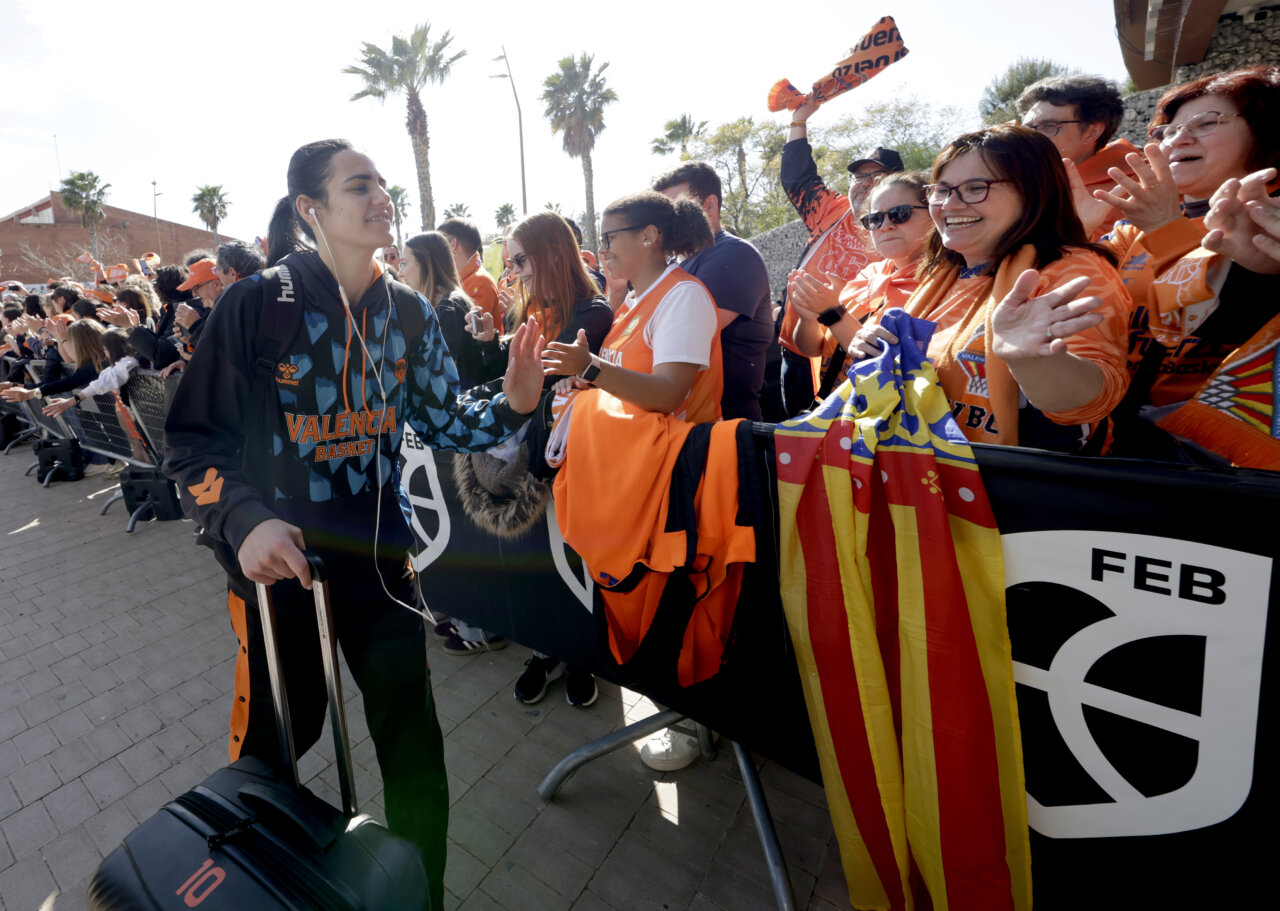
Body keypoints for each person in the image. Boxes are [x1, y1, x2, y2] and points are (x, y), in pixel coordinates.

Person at [161, 138, 544, 911]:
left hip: (382, 569)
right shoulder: (259, 303)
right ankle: (259, 892)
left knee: (414, 750)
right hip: (280, 577)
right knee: (274, 752)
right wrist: (244, 521)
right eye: (358, 185)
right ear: (311, 208)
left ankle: (422, 897)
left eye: (382, 184)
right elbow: (193, 443)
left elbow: (444, 421)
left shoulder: (409, 311)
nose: (381, 197)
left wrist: (514, 403)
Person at [849, 123, 1130, 452]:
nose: (950, 205)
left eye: (974, 188)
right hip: (917, 470)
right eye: (942, 190)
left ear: (1033, 192)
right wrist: (872, 345)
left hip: (1008, 479)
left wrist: (1033, 361)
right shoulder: (941, 275)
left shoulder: (1071, 270)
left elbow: (1090, 403)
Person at [1087, 65, 1280, 464]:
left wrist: (1165, 229)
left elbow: (1219, 322)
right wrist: (1061, 233)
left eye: (1206, 123)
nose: (1178, 139)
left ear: (1266, 132)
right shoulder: (1130, 229)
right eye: (1167, 131)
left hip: (1221, 460)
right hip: (1116, 438)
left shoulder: (1271, 221)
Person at [464, 210, 613, 706]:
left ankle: (584, 657)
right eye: (511, 264)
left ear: (553, 253)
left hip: (572, 458)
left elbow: (538, 377)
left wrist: (514, 361)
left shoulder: (594, 311)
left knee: (576, 561)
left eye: (521, 261)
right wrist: (491, 342)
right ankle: (546, 651)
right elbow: (514, 379)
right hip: (533, 461)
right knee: (538, 565)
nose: (516, 273)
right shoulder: (533, 311)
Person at [777, 95, 903, 416]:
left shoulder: (902, 229)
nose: (866, 184)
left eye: (878, 178)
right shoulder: (831, 209)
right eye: (860, 177)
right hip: (798, 351)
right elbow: (797, 178)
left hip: (851, 361)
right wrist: (799, 120)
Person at [788, 171, 932, 393]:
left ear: (933, 213)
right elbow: (814, 349)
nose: (885, 225)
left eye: (900, 214)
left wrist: (833, 313)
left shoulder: (941, 285)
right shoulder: (868, 275)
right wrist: (808, 318)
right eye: (875, 219)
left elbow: (894, 372)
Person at [652, 161, 774, 421]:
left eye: (674, 209)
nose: (665, 222)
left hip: (725, 426)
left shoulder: (734, 255)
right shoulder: (673, 264)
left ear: (709, 205)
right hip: (682, 425)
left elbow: (685, 332)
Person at [1017, 74, 1137, 236]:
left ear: (1092, 132)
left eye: (1049, 126)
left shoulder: (1133, 190)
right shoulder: (1020, 182)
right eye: (1027, 129)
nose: (1032, 138)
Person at [438, 216, 502, 327]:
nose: (436, 250)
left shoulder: (480, 282)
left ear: (453, 244)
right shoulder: (468, 278)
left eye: (439, 243)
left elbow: (465, 331)